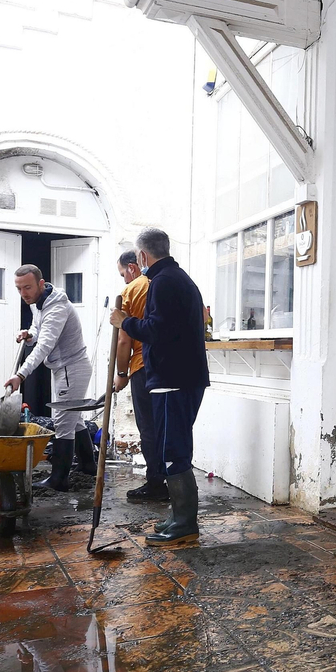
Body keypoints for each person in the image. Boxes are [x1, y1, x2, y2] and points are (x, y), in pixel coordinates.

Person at [109, 227, 209, 546]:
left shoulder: (163, 282)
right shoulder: (178, 279)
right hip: (182, 377)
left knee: (172, 450)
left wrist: (124, 322)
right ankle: (178, 515)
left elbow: (157, 330)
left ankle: (184, 523)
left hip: (172, 380)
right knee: (173, 447)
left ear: (142, 255)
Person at [5, 265, 93, 492]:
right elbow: (38, 328)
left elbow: (45, 345)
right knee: (75, 419)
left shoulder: (57, 308)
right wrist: (29, 334)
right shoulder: (39, 302)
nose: (23, 293)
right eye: (19, 288)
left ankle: (59, 479)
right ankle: (88, 466)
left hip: (71, 368)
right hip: (65, 367)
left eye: (27, 287)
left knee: (63, 423)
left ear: (41, 284)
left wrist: (20, 374)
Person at [113, 250, 169, 504]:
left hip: (142, 365)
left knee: (148, 428)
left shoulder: (131, 290)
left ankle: (156, 484)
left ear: (133, 267)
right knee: (165, 426)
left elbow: (124, 339)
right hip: (169, 365)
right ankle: (170, 479)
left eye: (122, 273)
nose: (124, 279)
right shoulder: (163, 283)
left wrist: (121, 373)